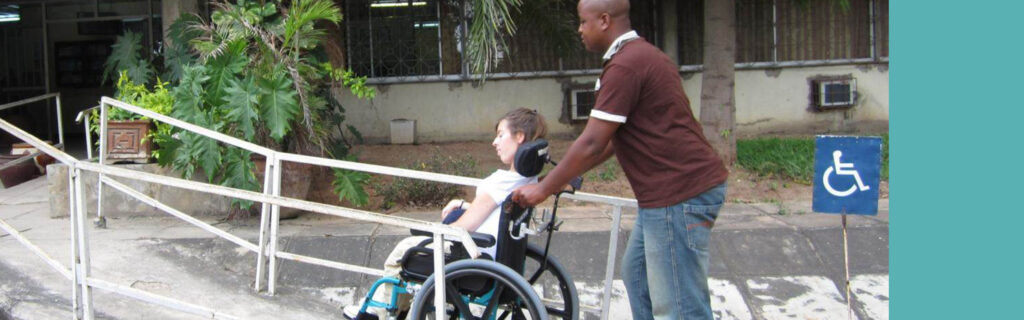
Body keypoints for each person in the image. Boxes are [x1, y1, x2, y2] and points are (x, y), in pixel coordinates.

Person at [511, 0, 729, 319]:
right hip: (674, 192)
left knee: (680, 306)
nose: (579, 30)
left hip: (678, 194)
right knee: (638, 275)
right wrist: (563, 179)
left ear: (603, 20)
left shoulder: (627, 65)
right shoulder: (637, 57)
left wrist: (543, 189)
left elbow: (592, 140)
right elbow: (612, 141)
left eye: (583, 22)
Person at [344, 108, 548, 319]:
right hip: (499, 259)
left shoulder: (499, 183)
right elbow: (496, 212)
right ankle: (395, 309)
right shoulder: (528, 181)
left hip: (474, 258)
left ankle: (380, 312)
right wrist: (463, 204)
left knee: (404, 250)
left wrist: (434, 231)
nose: (494, 142)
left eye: (500, 135)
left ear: (519, 136)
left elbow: (461, 229)